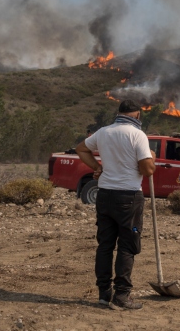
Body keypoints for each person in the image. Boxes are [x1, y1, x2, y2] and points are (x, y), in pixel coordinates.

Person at [76, 99, 155, 310]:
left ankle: (104, 294)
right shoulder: (138, 135)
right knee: (127, 246)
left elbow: (81, 148)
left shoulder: (103, 132)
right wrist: (152, 158)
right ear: (137, 115)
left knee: (105, 246)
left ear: (119, 113)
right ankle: (121, 297)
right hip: (129, 197)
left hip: (104, 195)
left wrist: (97, 166)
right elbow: (147, 170)